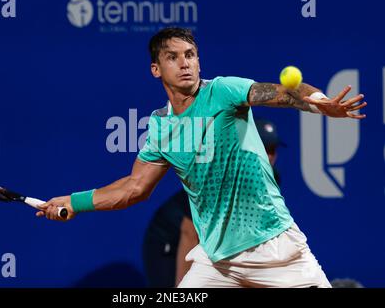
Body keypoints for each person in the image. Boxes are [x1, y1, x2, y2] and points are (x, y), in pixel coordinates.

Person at [37, 27, 367, 288]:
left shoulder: (222, 91)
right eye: (173, 57)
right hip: (217, 262)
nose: (185, 63)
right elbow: (135, 187)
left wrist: (321, 103)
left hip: (276, 250)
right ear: (156, 69)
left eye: (191, 55)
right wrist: (74, 202)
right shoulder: (161, 126)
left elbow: (284, 93)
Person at [142, 118, 284, 287]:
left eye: (273, 150)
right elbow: (190, 231)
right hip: (171, 238)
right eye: (263, 148)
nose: (269, 156)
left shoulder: (270, 178)